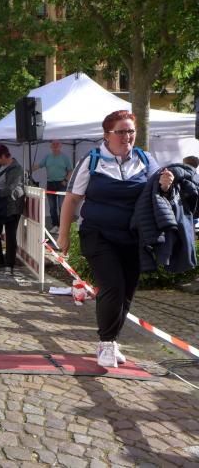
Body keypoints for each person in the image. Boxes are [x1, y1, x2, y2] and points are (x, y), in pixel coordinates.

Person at [58, 110, 170, 368]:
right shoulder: (92, 159)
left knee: (127, 290)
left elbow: (158, 191)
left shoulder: (145, 159)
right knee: (113, 286)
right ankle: (106, 342)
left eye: (131, 131)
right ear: (107, 135)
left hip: (133, 237)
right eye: (121, 131)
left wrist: (166, 184)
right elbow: (72, 199)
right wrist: (63, 235)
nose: (127, 136)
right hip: (97, 235)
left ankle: (113, 340)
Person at [0, 144, 25, 274]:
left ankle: (9, 265)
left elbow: (12, 188)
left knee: (10, 235)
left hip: (12, 205)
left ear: (3, 156)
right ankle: (0, 262)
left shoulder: (16, 168)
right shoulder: (1, 166)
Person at [33, 140, 73, 232]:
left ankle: (62, 227)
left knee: (62, 206)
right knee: (52, 207)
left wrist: (65, 180)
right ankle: (55, 225)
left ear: (60, 146)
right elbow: (39, 165)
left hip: (61, 184)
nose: (55, 146)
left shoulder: (65, 158)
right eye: (53, 145)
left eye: (57, 144)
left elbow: (70, 170)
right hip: (50, 184)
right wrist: (28, 169)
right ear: (51, 146)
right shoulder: (47, 157)